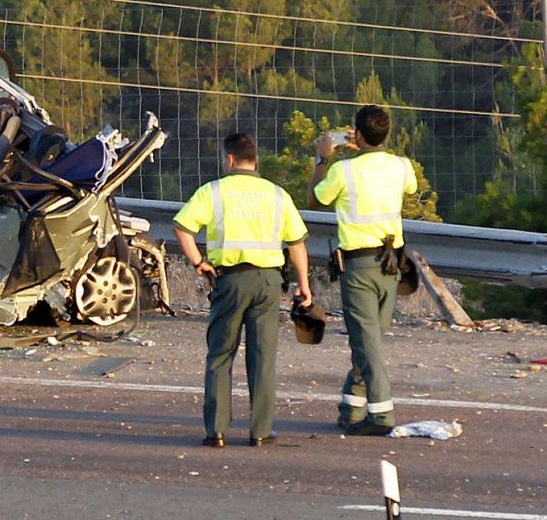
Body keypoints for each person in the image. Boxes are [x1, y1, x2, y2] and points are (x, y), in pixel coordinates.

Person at [173, 133, 312, 448]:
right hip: (268, 282)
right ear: (256, 161)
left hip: (231, 281)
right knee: (262, 357)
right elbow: (297, 243)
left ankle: (217, 431)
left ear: (230, 160)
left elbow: (182, 228)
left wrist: (199, 263)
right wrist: (304, 285)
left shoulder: (214, 192)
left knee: (220, 354)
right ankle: (260, 431)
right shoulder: (277, 195)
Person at [308, 104, 417, 436]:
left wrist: (323, 158)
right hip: (392, 264)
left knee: (367, 342)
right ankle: (352, 408)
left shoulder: (343, 171)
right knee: (370, 340)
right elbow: (411, 188)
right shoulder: (401, 166)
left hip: (359, 266)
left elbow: (314, 200)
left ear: (355, 134)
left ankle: (381, 414)